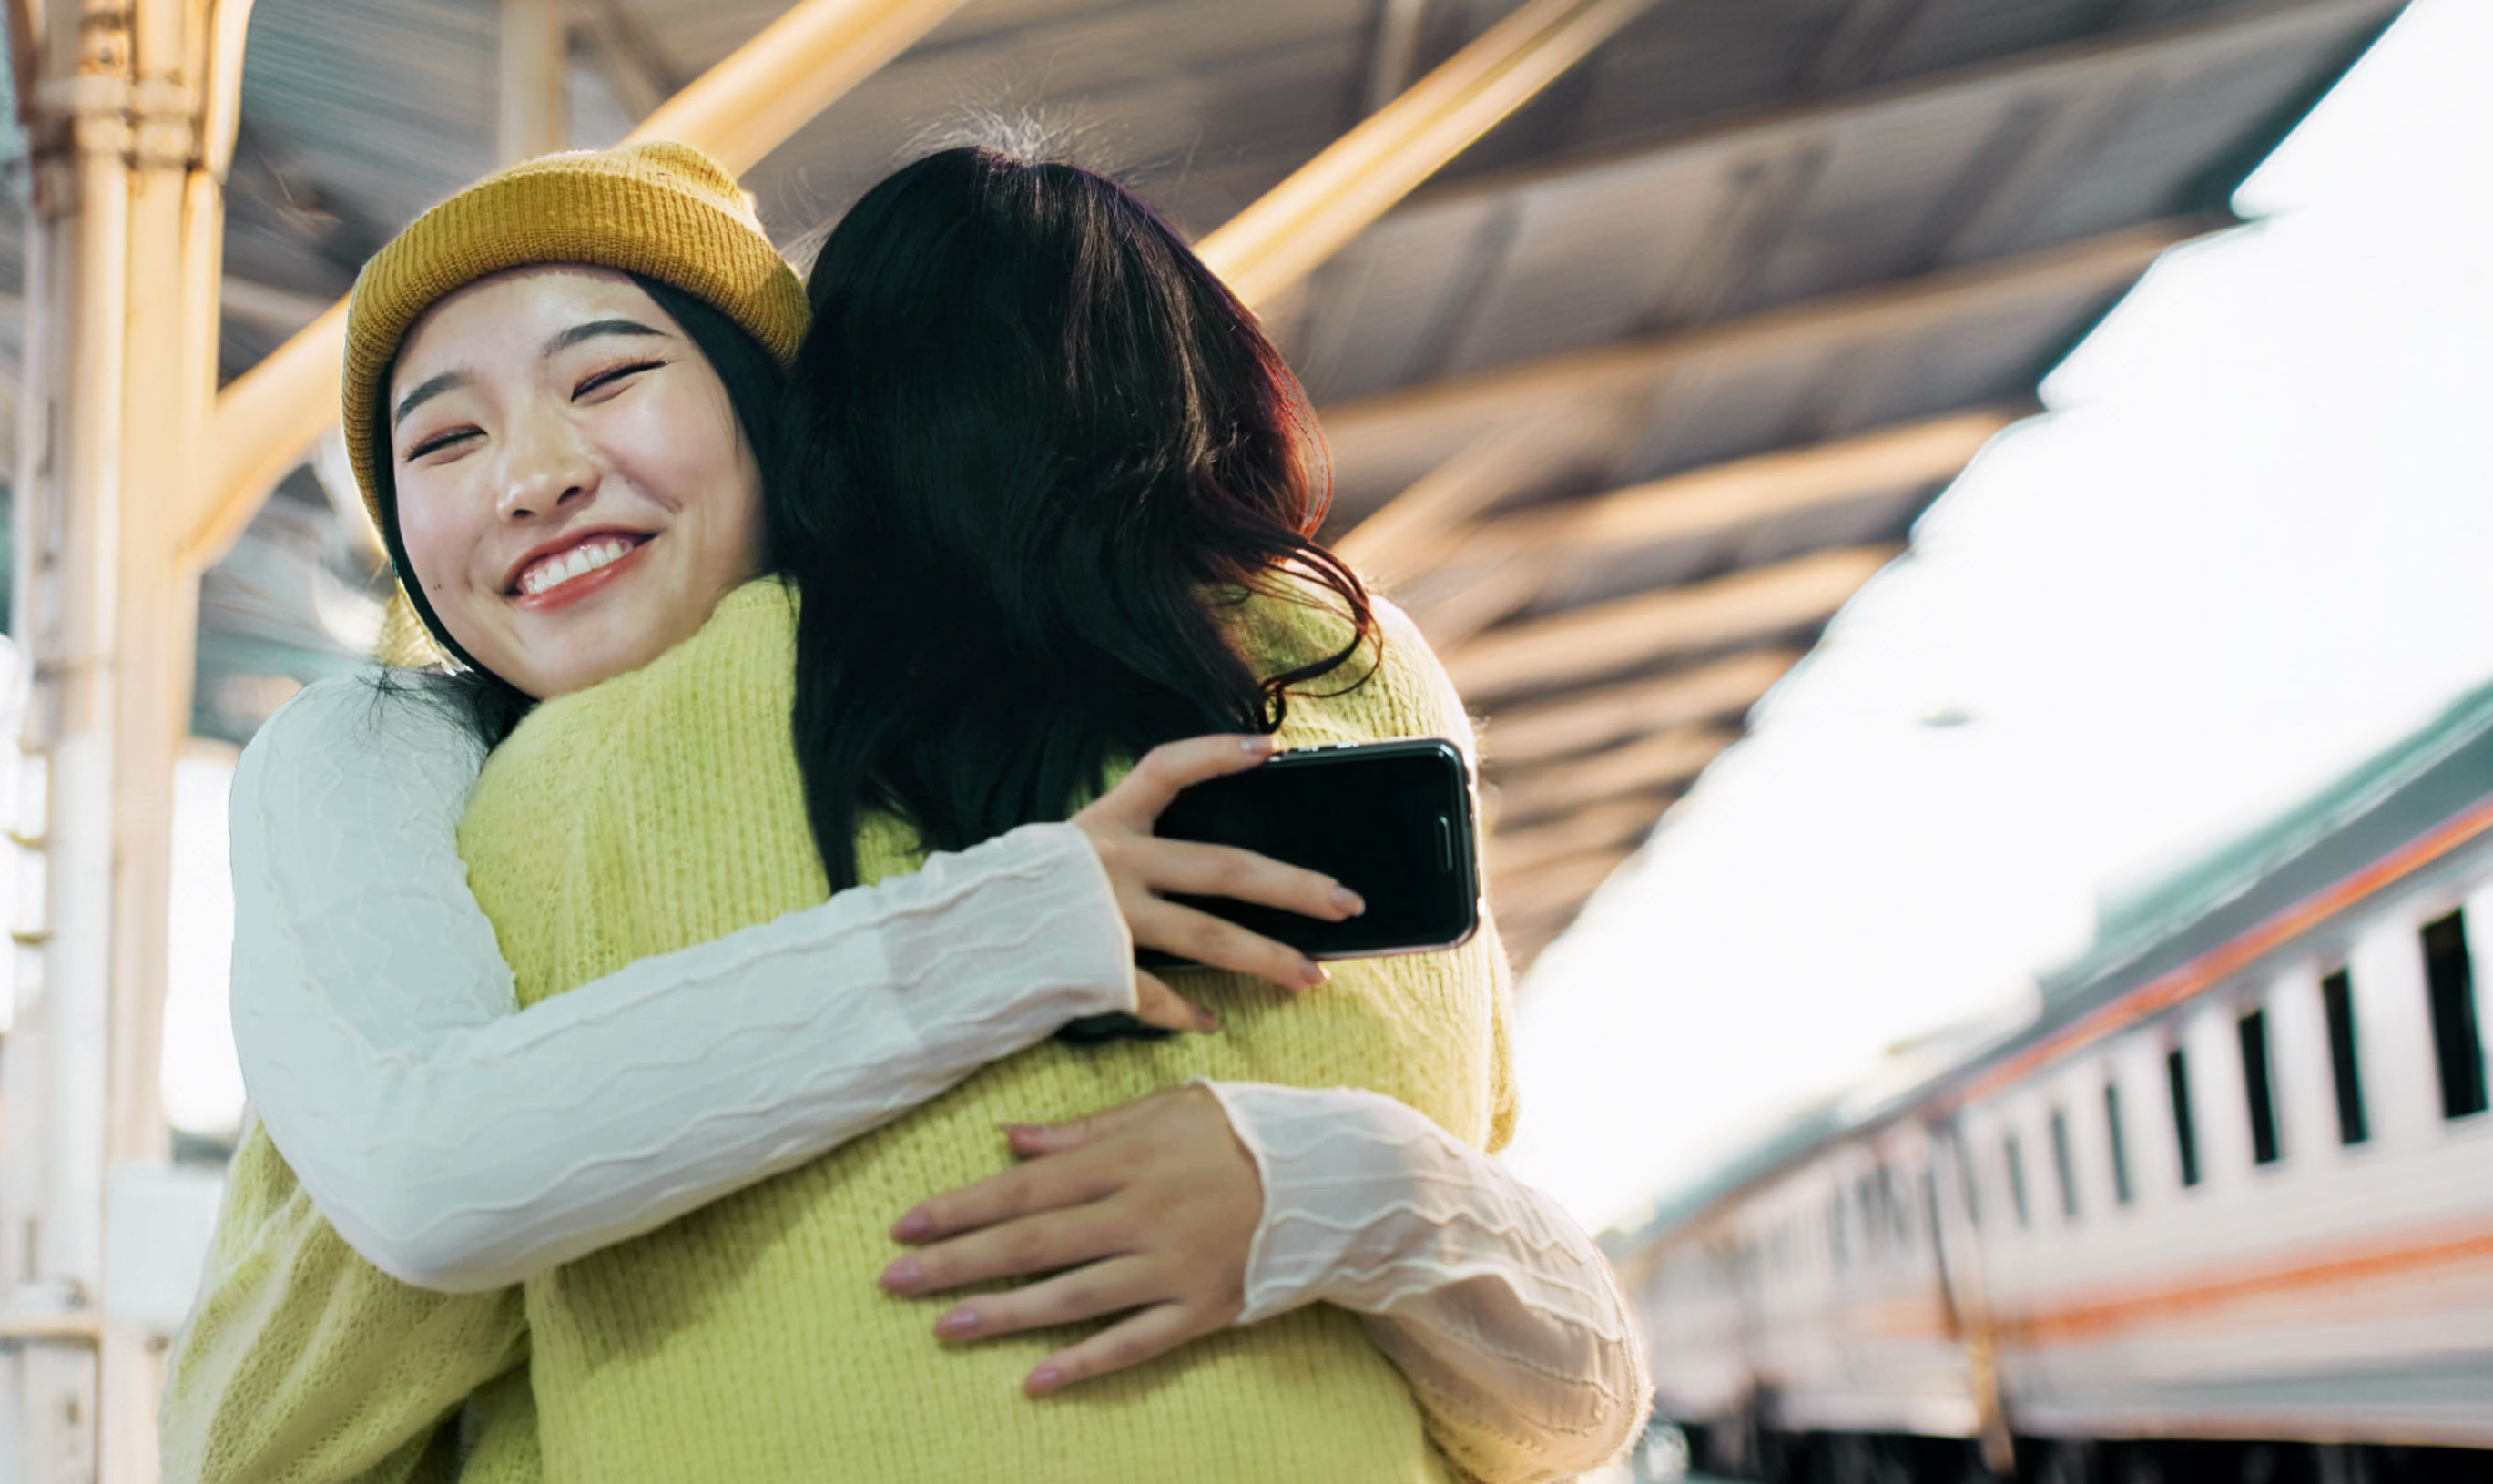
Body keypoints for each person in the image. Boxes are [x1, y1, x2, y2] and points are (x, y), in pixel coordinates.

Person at [165, 141, 1643, 1484]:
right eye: (440, 442)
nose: (534, 478)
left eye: (606, 380)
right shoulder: (389, 762)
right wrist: (1033, 921)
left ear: (785, 425)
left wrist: (1331, 1178)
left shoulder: (596, 807)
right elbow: (422, 1186)